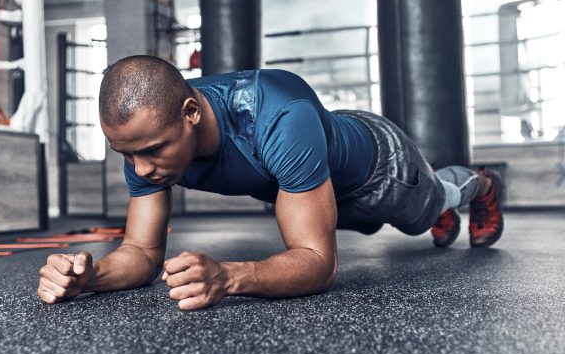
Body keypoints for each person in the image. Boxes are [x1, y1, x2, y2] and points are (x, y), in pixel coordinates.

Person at [37, 56, 504, 310]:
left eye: (153, 150)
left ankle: (478, 183)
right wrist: (91, 277)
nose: (140, 170)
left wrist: (229, 276)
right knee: (361, 220)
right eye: (126, 154)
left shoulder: (275, 115)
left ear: (191, 114)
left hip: (381, 170)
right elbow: (140, 252)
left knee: (428, 209)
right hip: (312, 180)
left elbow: (317, 264)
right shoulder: (147, 139)